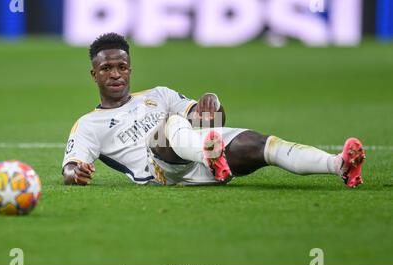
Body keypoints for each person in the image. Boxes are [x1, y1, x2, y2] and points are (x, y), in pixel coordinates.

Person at [62, 33, 365, 188]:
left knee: (258, 144)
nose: (115, 74)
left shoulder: (159, 94)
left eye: (121, 67)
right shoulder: (89, 124)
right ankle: (209, 153)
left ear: (130, 69)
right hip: (161, 170)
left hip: (200, 161)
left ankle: (338, 165)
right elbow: (70, 166)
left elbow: (212, 120)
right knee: (169, 124)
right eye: (106, 68)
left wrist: (213, 103)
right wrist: (76, 172)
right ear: (94, 74)